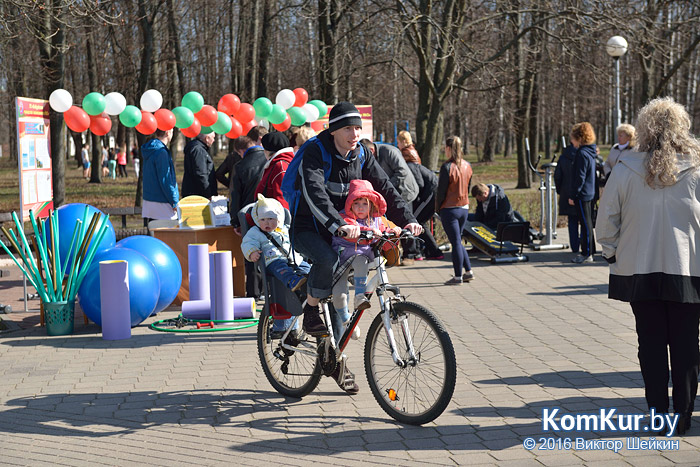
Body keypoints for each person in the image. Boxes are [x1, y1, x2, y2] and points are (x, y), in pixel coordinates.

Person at [291, 101, 422, 394]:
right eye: (349, 128)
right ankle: (311, 310)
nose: (355, 133)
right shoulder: (316, 151)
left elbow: (386, 188)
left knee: (342, 293)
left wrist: (409, 220)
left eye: (358, 127)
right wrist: (337, 223)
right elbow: (314, 195)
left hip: (348, 232)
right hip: (310, 229)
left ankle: (334, 357)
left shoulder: (361, 153)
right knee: (326, 260)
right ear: (334, 129)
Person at [596, 97, 700, 436]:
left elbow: (606, 220)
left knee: (651, 343)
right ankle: (682, 415)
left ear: (644, 129)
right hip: (689, 268)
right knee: (686, 345)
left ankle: (658, 413)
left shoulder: (625, 168)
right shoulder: (697, 169)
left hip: (639, 267)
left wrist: (612, 253)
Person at [331, 179, 401, 340]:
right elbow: (354, 228)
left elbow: (384, 228)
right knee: (339, 295)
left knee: (364, 260)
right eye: (357, 203)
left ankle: (360, 296)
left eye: (365, 203)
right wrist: (368, 230)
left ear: (371, 205)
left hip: (362, 257)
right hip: (342, 258)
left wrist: (394, 231)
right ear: (350, 205)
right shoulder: (345, 217)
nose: (361, 207)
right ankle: (347, 320)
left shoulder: (375, 219)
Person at [361, 139, 419, 264]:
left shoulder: (390, 151)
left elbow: (401, 172)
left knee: (405, 220)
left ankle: (410, 254)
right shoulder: (373, 155)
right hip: (392, 191)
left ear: (371, 151)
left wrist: (383, 188)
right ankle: (394, 254)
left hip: (405, 190)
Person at [241, 194, 309, 293]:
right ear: (257, 220)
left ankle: (313, 284)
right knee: (281, 268)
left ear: (278, 219)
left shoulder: (284, 229)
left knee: (306, 266)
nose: (266, 223)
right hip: (271, 261)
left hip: (292, 258)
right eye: (262, 220)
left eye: (270, 219)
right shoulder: (255, 232)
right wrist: (252, 252)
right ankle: (293, 281)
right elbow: (247, 243)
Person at [229, 135, 268, 300]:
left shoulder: (240, 166)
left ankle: (253, 292)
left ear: (241, 150)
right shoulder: (269, 161)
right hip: (269, 212)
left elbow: (235, 196)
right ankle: (270, 289)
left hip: (248, 215)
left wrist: (235, 221)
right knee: (272, 249)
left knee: (251, 250)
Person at [398, 130, 443, 260]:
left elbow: (418, 182)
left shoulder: (407, 158)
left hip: (430, 191)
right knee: (419, 221)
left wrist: (415, 197)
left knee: (416, 221)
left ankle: (430, 251)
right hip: (429, 190)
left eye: (399, 142)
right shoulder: (412, 152)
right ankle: (427, 250)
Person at [436, 135, 474, 285]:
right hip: (464, 207)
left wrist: (438, 208)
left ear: (448, 149)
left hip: (450, 208)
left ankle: (458, 276)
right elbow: (469, 187)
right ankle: (468, 271)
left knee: (455, 242)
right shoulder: (468, 165)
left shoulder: (447, 167)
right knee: (458, 240)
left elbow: (441, 192)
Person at [568, 122, 597, 264]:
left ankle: (586, 253)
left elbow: (580, 177)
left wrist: (573, 194)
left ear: (579, 138)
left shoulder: (582, 153)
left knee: (585, 224)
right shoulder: (591, 151)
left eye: (572, 138)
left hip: (582, 194)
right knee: (588, 223)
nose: (571, 141)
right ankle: (591, 250)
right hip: (590, 192)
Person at [140, 128, 179, 222]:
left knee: (154, 234)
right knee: (166, 235)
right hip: (163, 204)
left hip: (150, 202)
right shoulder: (161, 152)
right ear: (167, 132)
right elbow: (166, 180)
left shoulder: (151, 149)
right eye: (172, 131)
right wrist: (174, 202)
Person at [254, 132, 294, 208]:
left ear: (268, 150)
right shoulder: (277, 163)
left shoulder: (280, 166)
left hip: (274, 216)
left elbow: (282, 198)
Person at [554, 142, 580, 254]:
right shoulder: (586, 154)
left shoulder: (564, 156)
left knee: (572, 221)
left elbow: (557, 176)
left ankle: (574, 247)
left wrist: (561, 190)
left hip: (567, 192)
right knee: (585, 221)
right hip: (582, 194)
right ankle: (585, 246)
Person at [181, 132, 217, 199]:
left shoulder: (198, 148)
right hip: (198, 194)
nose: (214, 140)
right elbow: (201, 173)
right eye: (213, 137)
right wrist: (208, 193)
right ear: (207, 138)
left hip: (194, 192)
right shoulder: (198, 150)